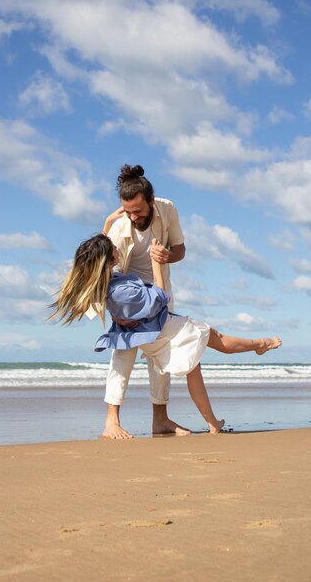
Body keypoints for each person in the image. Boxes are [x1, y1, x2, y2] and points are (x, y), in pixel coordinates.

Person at [49, 233, 282, 437]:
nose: (117, 248)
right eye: (113, 248)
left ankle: (213, 423)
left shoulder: (110, 284)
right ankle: (261, 343)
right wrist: (156, 262)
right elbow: (161, 297)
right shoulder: (121, 291)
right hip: (167, 329)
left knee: (195, 366)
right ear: (108, 259)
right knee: (215, 337)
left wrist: (110, 220)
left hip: (156, 334)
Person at [96, 164, 187, 439]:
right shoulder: (121, 223)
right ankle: (111, 421)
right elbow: (102, 271)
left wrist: (164, 258)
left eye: (139, 211)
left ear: (151, 200)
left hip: (159, 290)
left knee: (161, 357)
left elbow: (180, 249)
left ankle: (160, 419)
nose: (134, 217)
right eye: (128, 211)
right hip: (126, 294)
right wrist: (115, 313)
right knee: (122, 354)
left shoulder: (168, 209)